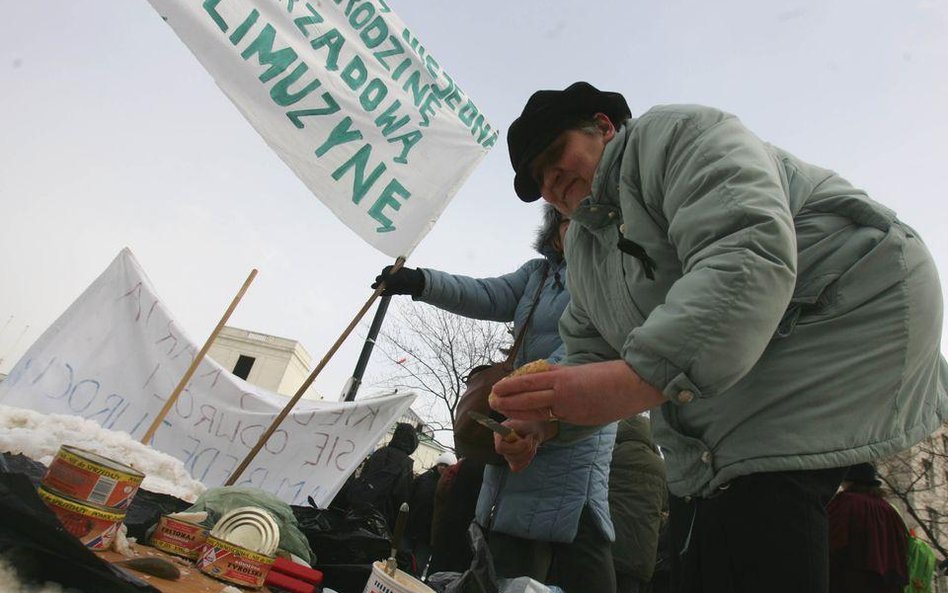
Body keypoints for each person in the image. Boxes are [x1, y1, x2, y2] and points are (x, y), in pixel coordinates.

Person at [489, 81, 948, 593]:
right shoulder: (586, 247)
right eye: (539, 179)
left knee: (753, 479)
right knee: (699, 500)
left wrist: (638, 378)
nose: (552, 181)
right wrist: (547, 421)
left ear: (603, 126)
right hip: (748, 347)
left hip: (848, 302)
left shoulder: (673, 136)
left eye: (556, 155)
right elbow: (590, 352)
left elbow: (746, 252)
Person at [374, 206, 621, 593]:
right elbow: (486, 293)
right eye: (563, 220)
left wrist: (531, 396)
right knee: (504, 569)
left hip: (568, 440)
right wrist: (421, 282)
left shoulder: (612, 275)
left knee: (570, 555)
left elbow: (589, 352)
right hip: (512, 429)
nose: (571, 229)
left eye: (580, 219)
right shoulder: (536, 275)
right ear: (553, 230)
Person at [827, 463, 908, 592]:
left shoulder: (846, 502)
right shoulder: (888, 509)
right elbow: (902, 547)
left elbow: (832, 539)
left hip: (852, 579)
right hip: (888, 581)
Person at [609, 416, 668, 593]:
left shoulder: (611, 456)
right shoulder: (661, 467)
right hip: (642, 554)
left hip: (609, 547)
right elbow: (665, 506)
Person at [345, 421, 418, 532]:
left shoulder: (379, 453)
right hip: (383, 517)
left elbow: (364, 476)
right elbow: (402, 495)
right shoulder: (405, 463)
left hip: (360, 509)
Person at [427, 456, 486, 576]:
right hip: (467, 532)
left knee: (436, 573)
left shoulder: (456, 469)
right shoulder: (482, 468)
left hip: (446, 526)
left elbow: (441, 495)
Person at [405, 451, 456, 576]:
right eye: (441, 464)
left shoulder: (451, 485)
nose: (443, 468)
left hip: (428, 535)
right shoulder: (424, 478)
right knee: (403, 561)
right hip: (412, 527)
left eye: (446, 466)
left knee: (417, 568)